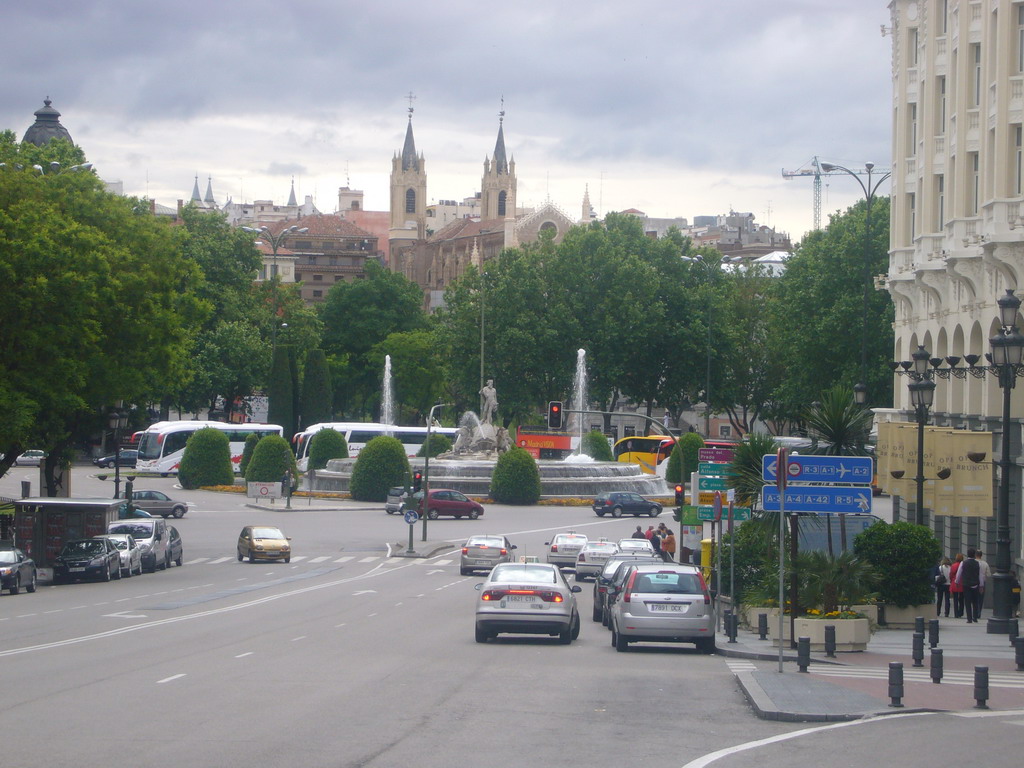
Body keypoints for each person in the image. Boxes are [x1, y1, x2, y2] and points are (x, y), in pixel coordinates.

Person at [956, 547, 983, 623]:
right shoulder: (978, 563)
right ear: (974, 555)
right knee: (975, 601)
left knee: (967, 601)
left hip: (966, 584)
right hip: (975, 584)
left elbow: (959, 573)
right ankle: (975, 617)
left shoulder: (963, 563)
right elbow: (980, 575)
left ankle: (969, 618)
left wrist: (957, 581)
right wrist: (981, 585)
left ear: (967, 554)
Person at [976, 549, 992, 618]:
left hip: (974, 582)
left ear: (975, 555)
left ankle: (975, 611)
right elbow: (989, 574)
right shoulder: (985, 563)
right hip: (982, 583)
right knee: (980, 598)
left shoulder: (973, 562)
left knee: (974, 598)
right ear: (981, 555)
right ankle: (979, 612)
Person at [949, 553, 965, 619]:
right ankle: (960, 612)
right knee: (961, 599)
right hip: (962, 583)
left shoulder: (953, 565)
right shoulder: (964, 565)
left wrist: (952, 580)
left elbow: (951, 574)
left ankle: (956, 613)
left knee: (955, 599)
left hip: (955, 583)